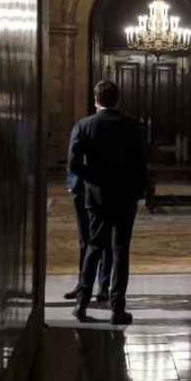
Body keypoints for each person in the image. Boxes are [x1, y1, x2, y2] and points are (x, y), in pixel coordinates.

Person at [68, 80, 149, 323]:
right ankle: (117, 309)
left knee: (94, 248)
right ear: (118, 100)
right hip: (125, 198)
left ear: (96, 100)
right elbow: (141, 166)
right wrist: (138, 193)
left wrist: (95, 181)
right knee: (121, 252)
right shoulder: (134, 127)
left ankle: (81, 305)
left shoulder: (83, 126)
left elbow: (73, 165)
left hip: (96, 198)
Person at [62, 133, 109, 302]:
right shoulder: (82, 128)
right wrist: (71, 185)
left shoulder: (108, 128)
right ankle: (83, 285)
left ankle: (103, 287)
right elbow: (72, 160)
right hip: (81, 189)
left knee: (104, 240)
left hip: (102, 189)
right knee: (85, 240)